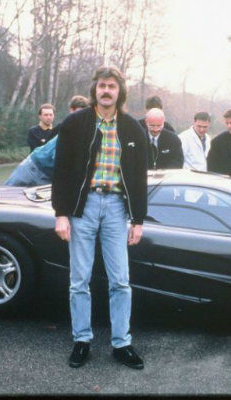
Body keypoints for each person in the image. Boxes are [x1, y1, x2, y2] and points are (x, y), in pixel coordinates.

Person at [52, 66, 148, 370]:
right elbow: (62, 173)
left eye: (112, 87)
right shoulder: (75, 124)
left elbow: (139, 177)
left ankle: (122, 343)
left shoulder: (133, 128)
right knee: (79, 279)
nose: (106, 91)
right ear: (95, 89)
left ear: (120, 92)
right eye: (102, 86)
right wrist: (61, 214)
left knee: (121, 280)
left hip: (117, 208)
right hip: (85, 206)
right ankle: (82, 340)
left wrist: (138, 219)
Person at [6, 95, 89, 187]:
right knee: (4, 196)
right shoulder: (68, 129)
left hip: (47, 176)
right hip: (32, 168)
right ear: (71, 110)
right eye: (78, 113)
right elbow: (60, 159)